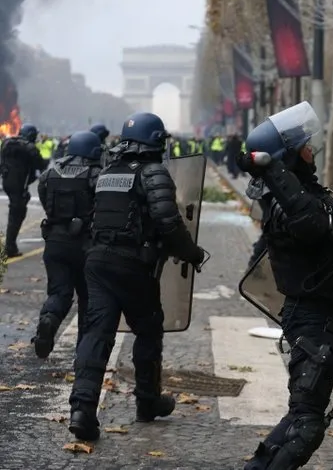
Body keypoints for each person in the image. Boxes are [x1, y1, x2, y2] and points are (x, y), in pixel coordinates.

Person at [238, 102, 333, 470]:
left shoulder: (303, 195)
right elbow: (312, 226)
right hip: (311, 321)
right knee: (305, 425)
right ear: (287, 159)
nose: (312, 151)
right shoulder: (282, 203)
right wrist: (272, 169)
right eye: (304, 146)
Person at [68, 112, 206, 441]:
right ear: (155, 141)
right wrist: (192, 254)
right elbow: (168, 222)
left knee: (95, 335)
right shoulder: (153, 171)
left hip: (97, 263)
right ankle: (147, 402)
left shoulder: (106, 172)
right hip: (132, 267)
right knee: (147, 331)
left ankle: (82, 410)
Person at [33, 131, 102, 359]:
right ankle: (83, 350)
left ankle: (48, 321)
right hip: (84, 243)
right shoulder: (96, 174)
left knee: (59, 292)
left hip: (54, 241)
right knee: (87, 298)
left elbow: (44, 196)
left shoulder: (51, 171)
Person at [0, 124, 47, 257]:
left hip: (7, 183)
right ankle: (10, 247)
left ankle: (10, 245)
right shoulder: (29, 147)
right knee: (17, 214)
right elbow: (40, 164)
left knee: (15, 213)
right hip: (20, 185)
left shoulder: (7, 143)